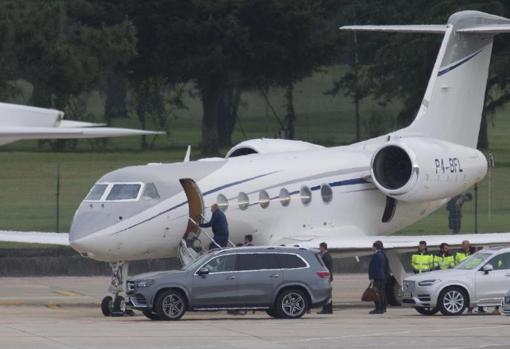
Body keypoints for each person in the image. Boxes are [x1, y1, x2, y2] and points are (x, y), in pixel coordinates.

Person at [368, 240, 388, 314]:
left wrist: (372, 277)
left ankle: (378, 308)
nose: (372, 247)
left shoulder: (376, 255)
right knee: (382, 293)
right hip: (382, 276)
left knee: (377, 293)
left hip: (377, 277)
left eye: (373, 246)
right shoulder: (382, 254)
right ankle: (383, 308)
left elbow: (375, 267)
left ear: (375, 247)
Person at [318, 242, 333, 314]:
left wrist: (329, 276)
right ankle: (328, 309)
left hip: (326, 277)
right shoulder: (326, 255)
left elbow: (328, 267)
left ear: (323, 247)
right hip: (327, 276)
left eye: (320, 247)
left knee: (327, 293)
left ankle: (327, 309)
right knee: (328, 293)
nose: (319, 249)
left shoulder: (326, 256)